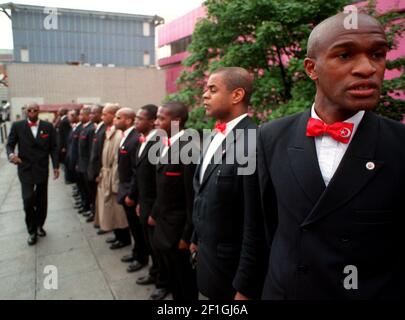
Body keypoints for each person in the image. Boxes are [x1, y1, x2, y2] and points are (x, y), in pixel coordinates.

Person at [243, 12, 403, 299]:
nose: (367, 68)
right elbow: (260, 228)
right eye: (344, 56)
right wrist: (245, 289)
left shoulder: (399, 144)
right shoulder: (270, 137)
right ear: (311, 68)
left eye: (377, 54)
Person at [190, 67, 267, 300]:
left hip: (231, 276)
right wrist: (196, 238)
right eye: (205, 89)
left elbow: (256, 224)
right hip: (207, 261)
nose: (204, 95)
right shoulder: (214, 137)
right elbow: (203, 194)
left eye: (212, 89)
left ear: (237, 95)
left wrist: (245, 286)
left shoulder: (254, 142)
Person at [151, 102, 198, 300]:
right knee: (173, 277)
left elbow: (192, 198)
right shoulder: (165, 144)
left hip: (178, 232)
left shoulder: (188, 150)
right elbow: (161, 189)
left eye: (161, 118)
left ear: (177, 121)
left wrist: (187, 237)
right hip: (164, 225)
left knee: (185, 280)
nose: (156, 122)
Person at [6, 103, 59, 245]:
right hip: (25, 169)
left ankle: (40, 225)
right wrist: (11, 155)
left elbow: (54, 148)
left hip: (42, 169)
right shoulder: (17, 126)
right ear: (25, 111)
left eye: (35, 110)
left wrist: (55, 166)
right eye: (29, 110)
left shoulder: (48, 127)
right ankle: (31, 231)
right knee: (28, 200)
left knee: (42, 201)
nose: (32, 112)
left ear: (39, 111)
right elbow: (10, 144)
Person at [133, 104, 170, 299]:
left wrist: (155, 212)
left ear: (151, 121)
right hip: (145, 203)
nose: (136, 121)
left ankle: (163, 283)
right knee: (150, 246)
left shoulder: (159, 143)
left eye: (140, 118)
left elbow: (161, 183)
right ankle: (155, 274)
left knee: (159, 249)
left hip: (156, 208)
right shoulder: (143, 141)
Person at [114, 107, 149, 265]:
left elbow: (136, 170)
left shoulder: (135, 139)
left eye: (118, 117)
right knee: (134, 228)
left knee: (137, 229)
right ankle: (136, 253)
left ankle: (141, 257)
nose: (115, 120)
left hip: (131, 192)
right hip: (125, 188)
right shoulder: (126, 137)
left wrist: (131, 194)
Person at [95, 104, 130, 247]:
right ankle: (117, 236)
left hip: (113, 178)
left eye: (105, 114)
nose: (102, 117)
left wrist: (114, 181)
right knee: (110, 209)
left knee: (118, 212)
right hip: (106, 174)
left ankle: (124, 239)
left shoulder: (119, 134)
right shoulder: (109, 131)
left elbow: (117, 161)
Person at [86, 104, 104, 223]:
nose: (91, 115)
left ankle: (100, 218)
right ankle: (96, 215)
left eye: (94, 113)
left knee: (99, 197)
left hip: (99, 171)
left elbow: (101, 154)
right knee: (94, 195)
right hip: (92, 169)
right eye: (90, 113)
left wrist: (98, 172)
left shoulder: (102, 131)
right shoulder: (97, 128)